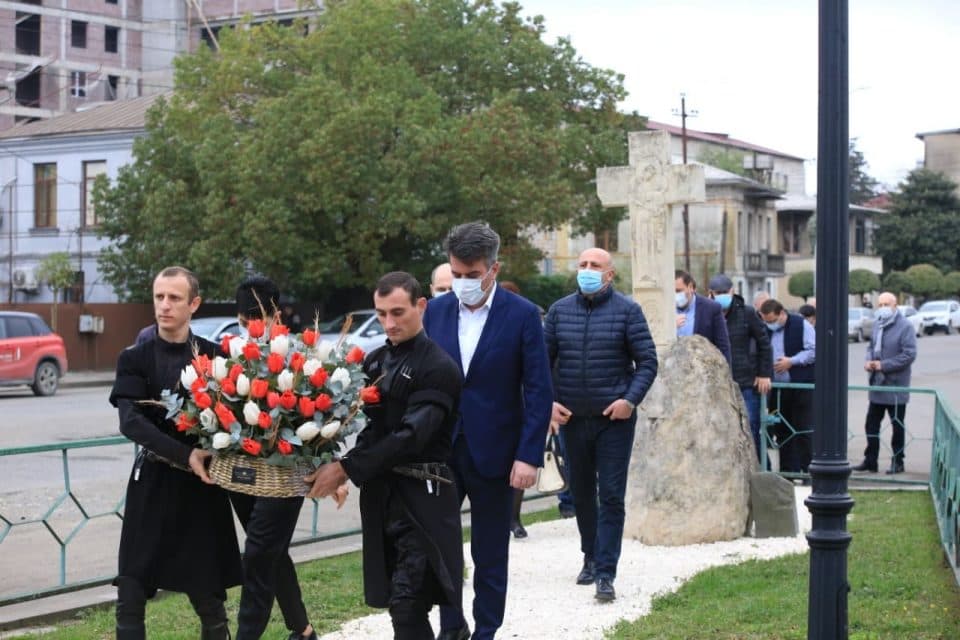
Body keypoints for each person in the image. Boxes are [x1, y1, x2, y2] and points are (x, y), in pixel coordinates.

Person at [305, 271, 464, 640]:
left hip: (423, 498)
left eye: (398, 312)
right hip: (382, 497)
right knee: (398, 601)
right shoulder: (375, 362)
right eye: (381, 314)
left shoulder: (438, 368)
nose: (389, 323)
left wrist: (346, 469)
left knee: (410, 602)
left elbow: (411, 436)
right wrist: (330, 463)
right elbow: (371, 430)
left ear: (421, 306)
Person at [423, 222, 553, 640]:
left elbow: (538, 390)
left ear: (493, 268)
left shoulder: (522, 315)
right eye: (455, 274)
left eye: (472, 275)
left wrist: (529, 455)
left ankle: (486, 631)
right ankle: (451, 627)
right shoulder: (436, 312)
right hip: (442, 451)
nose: (462, 283)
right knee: (440, 549)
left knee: (490, 551)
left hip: (497, 454)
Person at [109, 266, 242, 640]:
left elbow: (237, 424)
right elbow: (131, 422)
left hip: (202, 488)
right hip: (151, 482)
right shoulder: (134, 358)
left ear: (194, 304)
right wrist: (187, 456)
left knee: (208, 595)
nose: (164, 306)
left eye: (175, 298)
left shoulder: (216, 359)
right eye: (159, 297)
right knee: (132, 588)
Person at [544, 248, 658, 602]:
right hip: (573, 420)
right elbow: (541, 365)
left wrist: (630, 400)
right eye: (582, 265)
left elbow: (648, 362)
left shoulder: (628, 310)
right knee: (580, 493)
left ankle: (606, 573)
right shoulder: (560, 311)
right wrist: (549, 403)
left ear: (610, 275)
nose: (587, 270)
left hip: (614, 421)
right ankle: (590, 556)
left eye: (595, 266)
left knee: (610, 495)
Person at [230, 276, 319, 640]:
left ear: (276, 314)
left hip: (287, 472)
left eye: (260, 314)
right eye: (245, 316)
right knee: (270, 551)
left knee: (258, 554)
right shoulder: (230, 356)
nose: (253, 323)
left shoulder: (302, 360)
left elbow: (319, 422)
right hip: (242, 471)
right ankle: (304, 630)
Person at [707, 274, 773, 464]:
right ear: (710, 294)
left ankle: (761, 470)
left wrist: (764, 373)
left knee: (750, 427)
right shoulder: (708, 313)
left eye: (724, 292)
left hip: (746, 381)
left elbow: (764, 343)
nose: (721, 296)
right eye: (717, 293)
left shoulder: (747, 313)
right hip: (718, 381)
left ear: (732, 291)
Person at [853, 292, 917, 474]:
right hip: (877, 384)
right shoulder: (877, 325)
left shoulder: (905, 327)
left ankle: (898, 461)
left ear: (895, 305)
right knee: (871, 424)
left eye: (886, 304)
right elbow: (871, 347)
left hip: (896, 385)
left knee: (897, 425)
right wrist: (868, 361)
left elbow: (909, 354)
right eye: (880, 304)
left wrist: (883, 365)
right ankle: (870, 460)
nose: (882, 308)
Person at [759, 298, 816, 474]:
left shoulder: (801, 325)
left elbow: (813, 350)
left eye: (773, 321)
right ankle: (787, 471)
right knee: (782, 430)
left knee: (803, 429)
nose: (770, 325)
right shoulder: (765, 329)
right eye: (767, 322)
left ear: (782, 314)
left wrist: (791, 361)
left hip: (800, 386)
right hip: (778, 389)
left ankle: (807, 470)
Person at [675, 269, 732, 363]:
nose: (675, 295)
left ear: (690, 287)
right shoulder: (665, 309)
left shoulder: (711, 308)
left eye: (678, 291)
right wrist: (670, 328)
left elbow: (723, 346)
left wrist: (727, 376)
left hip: (703, 371)